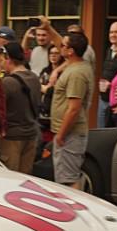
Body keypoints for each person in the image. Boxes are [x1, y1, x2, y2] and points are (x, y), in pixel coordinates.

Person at [51, 32, 94, 189]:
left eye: (63, 45)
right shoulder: (76, 65)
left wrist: (61, 135)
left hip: (70, 133)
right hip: (69, 132)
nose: (59, 47)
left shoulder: (76, 73)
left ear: (70, 51)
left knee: (68, 180)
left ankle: (74, 211)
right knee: (67, 177)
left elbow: (74, 108)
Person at [0, 42, 40, 174]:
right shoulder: (34, 77)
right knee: (25, 177)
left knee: (10, 177)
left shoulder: (8, 82)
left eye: (1, 60)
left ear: (8, 59)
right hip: (31, 134)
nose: (0, 63)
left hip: (12, 137)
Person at [98, 22, 117, 128]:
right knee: (101, 130)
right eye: (111, 32)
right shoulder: (108, 50)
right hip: (103, 97)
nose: (113, 35)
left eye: (116, 32)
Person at [38, 44, 63, 142]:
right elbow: (38, 86)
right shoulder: (45, 70)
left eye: (56, 53)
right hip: (43, 111)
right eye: (51, 53)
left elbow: (58, 90)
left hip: (57, 108)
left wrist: (47, 89)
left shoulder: (63, 72)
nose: (53, 55)